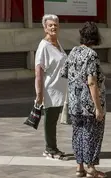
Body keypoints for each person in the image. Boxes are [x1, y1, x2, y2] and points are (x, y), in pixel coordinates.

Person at [62, 22, 106, 178]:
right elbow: (92, 82)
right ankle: (90, 168)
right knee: (91, 134)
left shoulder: (73, 51)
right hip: (88, 103)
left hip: (75, 103)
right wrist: (98, 107)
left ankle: (79, 166)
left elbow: (65, 72)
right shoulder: (91, 55)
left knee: (78, 133)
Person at [35, 14, 68, 161]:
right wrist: (39, 94)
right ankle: (49, 149)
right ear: (45, 28)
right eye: (50, 25)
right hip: (51, 90)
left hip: (61, 90)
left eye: (55, 24)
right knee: (50, 121)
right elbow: (38, 72)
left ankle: (53, 147)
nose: (53, 27)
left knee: (54, 121)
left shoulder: (57, 43)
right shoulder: (44, 46)